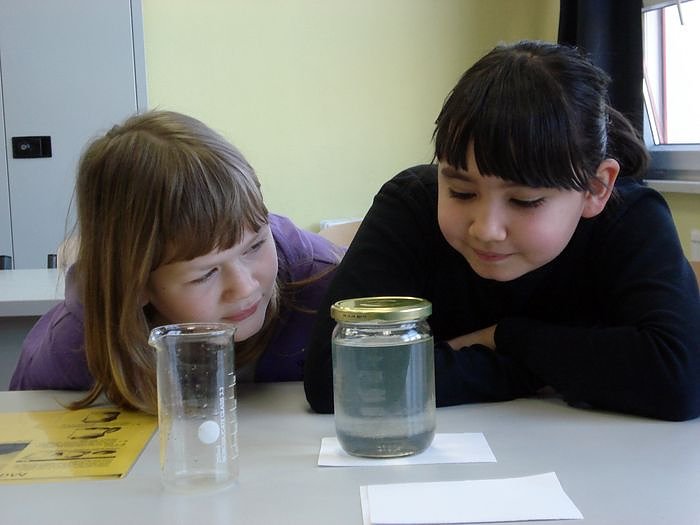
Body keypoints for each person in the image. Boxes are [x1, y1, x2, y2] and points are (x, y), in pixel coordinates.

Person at [303, 40, 700, 421]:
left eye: (525, 201)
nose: (487, 229)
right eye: (461, 192)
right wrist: (550, 368)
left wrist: (506, 338)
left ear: (596, 188)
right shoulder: (410, 205)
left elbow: (682, 379)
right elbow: (333, 376)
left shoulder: (630, 219)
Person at [10, 110, 343, 414]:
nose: (244, 288)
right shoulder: (70, 350)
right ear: (136, 283)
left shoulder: (325, 286)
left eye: (254, 246)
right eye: (204, 274)